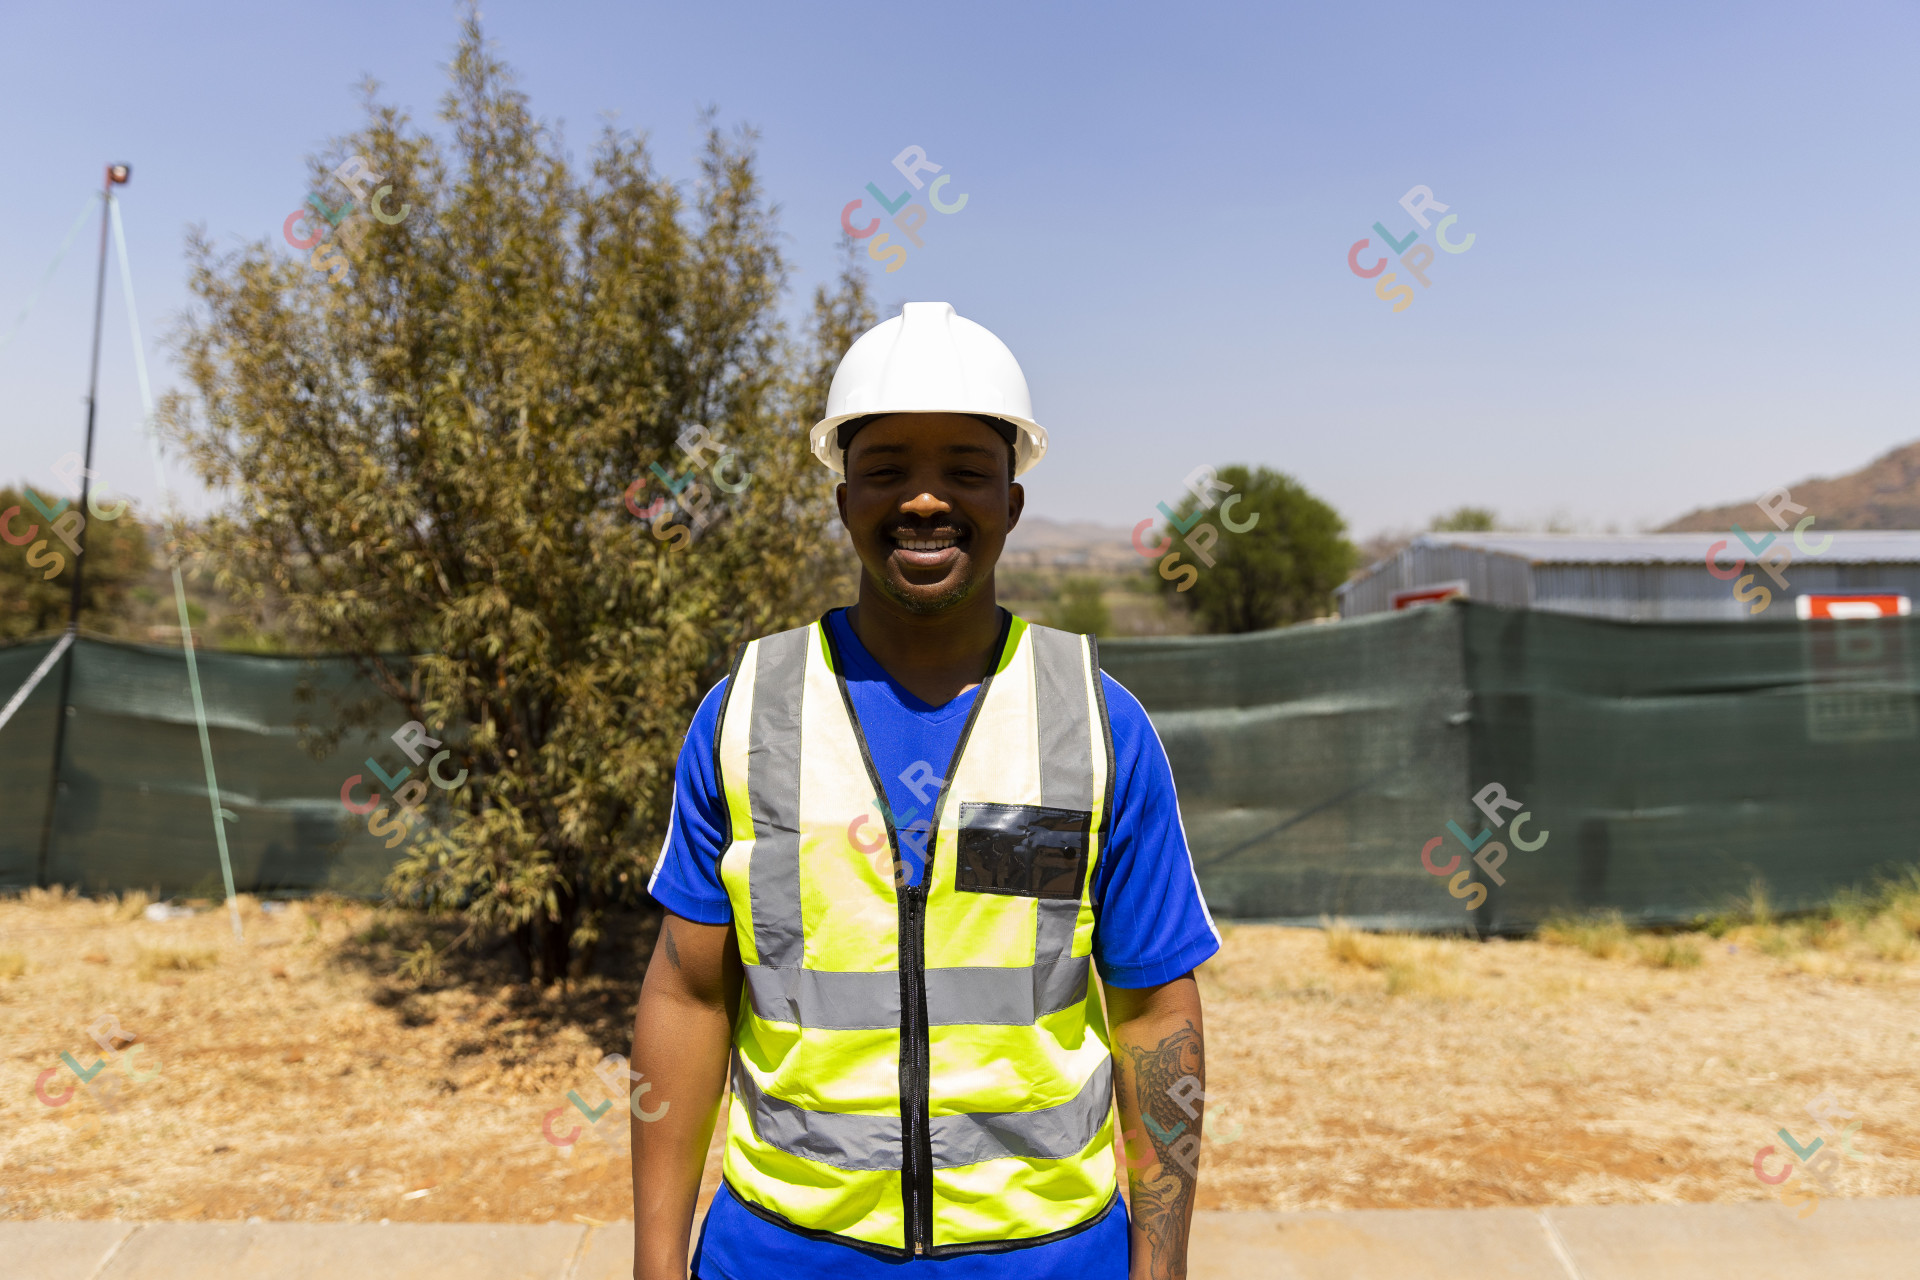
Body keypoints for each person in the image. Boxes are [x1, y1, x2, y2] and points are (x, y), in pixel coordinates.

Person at [632, 302, 1220, 1280]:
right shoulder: (746, 713)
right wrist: (657, 1265)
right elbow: (689, 993)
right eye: (889, 467)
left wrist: (1158, 1267)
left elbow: (1157, 1013)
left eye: (963, 469)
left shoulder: (1098, 723)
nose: (924, 500)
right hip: (779, 1254)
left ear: (1013, 501)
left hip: (1047, 1259)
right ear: (843, 496)